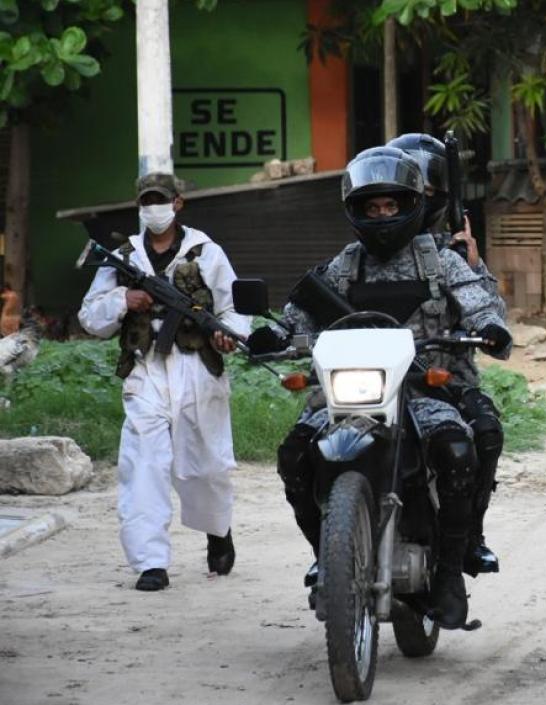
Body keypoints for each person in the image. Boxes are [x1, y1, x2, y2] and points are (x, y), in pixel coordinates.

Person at [251, 146, 512, 628]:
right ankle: (325, 554)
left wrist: (490, 326)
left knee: (458, 450)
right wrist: (274, 335)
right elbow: (297, 317)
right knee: (294, 454)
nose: (383, 216)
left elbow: (480, 304)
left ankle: (452, 571)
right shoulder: (343, 267)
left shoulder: (442, 263)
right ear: (356, 211)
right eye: (373, 207)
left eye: (392, 205)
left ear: (412, 204)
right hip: (350, 391)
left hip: (427, 389)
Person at [78, 173, 247, 592]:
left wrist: (227, 334)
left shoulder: (206, 252)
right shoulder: (124, 257)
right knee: (143, 466)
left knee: (206, 466)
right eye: (147, 200)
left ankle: (217, 530)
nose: (154, 207)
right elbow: (90, 317)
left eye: (161, 199)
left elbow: (233, 306)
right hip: (146, 370)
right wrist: (123, 300)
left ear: (178, 203)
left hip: (197, 370)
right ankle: (151, 561)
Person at [387, 132, 506, 576]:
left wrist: (474, 264)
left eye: (428, 190)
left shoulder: (451, 256)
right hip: (370, 384)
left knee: (485, 432)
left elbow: (493, 317)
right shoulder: (356, 257)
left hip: (444, 380)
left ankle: (469, 537)